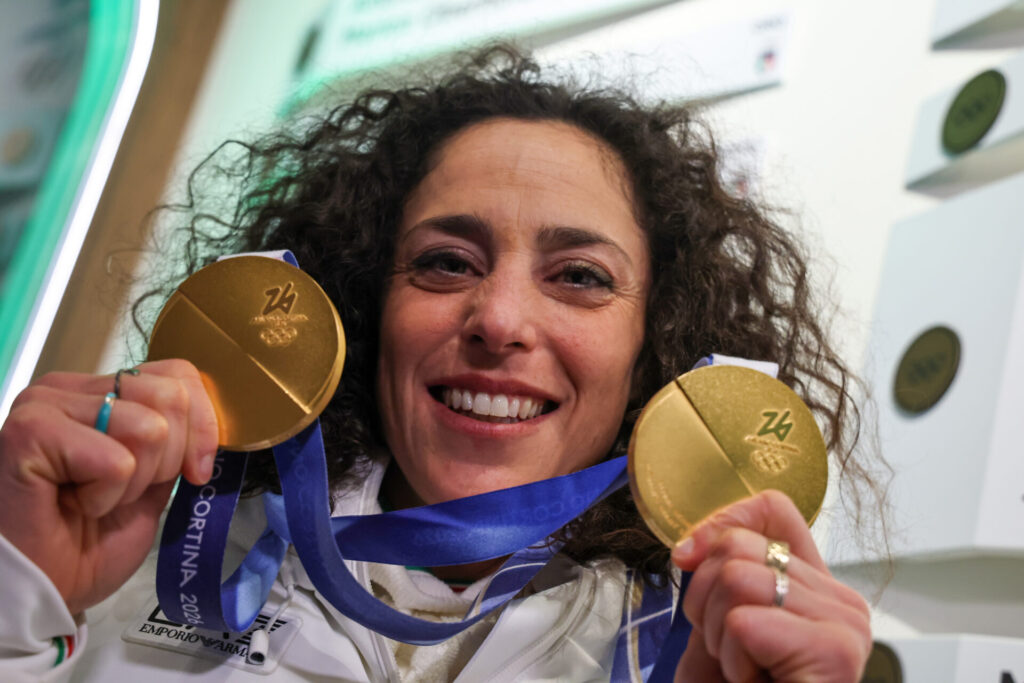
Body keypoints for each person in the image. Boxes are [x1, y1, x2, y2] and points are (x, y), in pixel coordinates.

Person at [0, 46, 879, 681]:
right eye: (446, 262)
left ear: (656, 345)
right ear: (363, 305)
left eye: (579, 277)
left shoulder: (700, 652)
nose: (498, 319)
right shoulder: (160, 558)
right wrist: (16, 598)